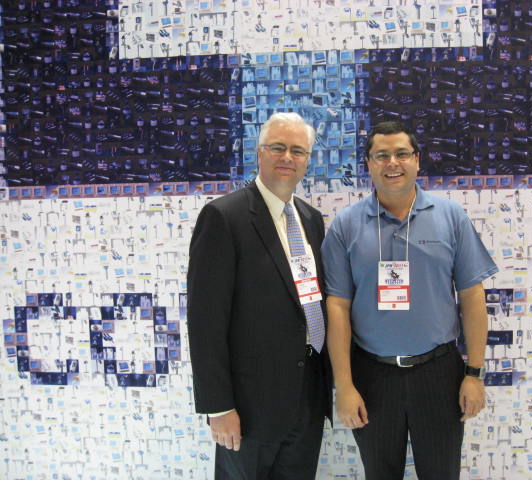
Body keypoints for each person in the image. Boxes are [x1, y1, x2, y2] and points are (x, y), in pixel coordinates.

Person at [321, 121, 498, 480]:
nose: (392, 163)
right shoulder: (346, 226)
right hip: (372, 376)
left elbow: (472, 296)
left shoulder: (451, 217)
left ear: (417, 160)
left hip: (439, 374)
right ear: (369, 164)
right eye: (381, 155)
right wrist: (345, 385)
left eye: (402, 153)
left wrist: (474, 374)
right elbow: (337, 308)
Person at [187, 112, 332, 479]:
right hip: (248, 409)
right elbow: (205, 323)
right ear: (259, 152)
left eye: (297, 151)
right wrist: (219, 407)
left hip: (307, 398)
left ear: (307, 161)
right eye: (278, 148)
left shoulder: (311, 220)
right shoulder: (224, 217)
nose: (287, 158)